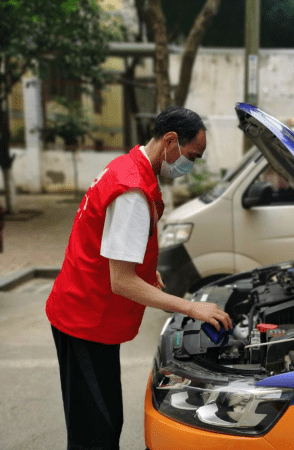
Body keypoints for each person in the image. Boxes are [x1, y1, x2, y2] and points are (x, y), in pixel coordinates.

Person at [46, 105, 232, 450]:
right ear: (170, 141)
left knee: (100, 419)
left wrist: (148, 273)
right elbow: (122, 281)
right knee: (96, 431)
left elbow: (117, 248)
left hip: (87, 311)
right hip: (85, 318)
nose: (191, 166)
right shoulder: (132, 191)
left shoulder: (126, 166)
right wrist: (190, 308)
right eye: (192, 156)